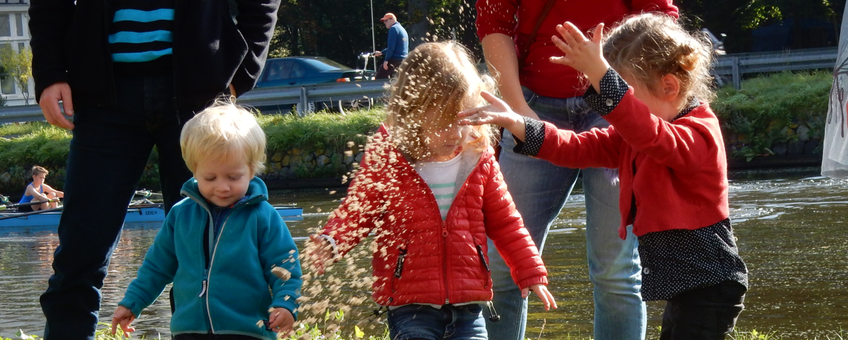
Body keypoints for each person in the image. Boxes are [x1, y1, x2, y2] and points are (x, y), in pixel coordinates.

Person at [461, 13, 749, 340]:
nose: (613, 114)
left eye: (628, 94)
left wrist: (601, 73)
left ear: (668, 86)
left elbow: (650, 132)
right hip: (689, 286)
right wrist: (518, 124)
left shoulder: (697, 133)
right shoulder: (636, 137)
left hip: (712, 283)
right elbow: (576, 147)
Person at [29, 0, 282, 338]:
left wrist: (244, 68)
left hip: (200, 90)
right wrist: (50, 72)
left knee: (210, 252)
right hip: (101, 92)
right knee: (78, 254)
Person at [308, 41, 557, 340]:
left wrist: (530, 271)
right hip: (411, 306)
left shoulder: (478, 158)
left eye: (463, 121)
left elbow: (506, 222)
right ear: (411, 114)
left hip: (469, 305)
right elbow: (358, 212)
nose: (455, 134)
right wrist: (332, 241)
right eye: (442, 124)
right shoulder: (390, 158)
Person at [474, 1, 678, 339]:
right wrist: (519, 111)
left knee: (616, 269)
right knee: (502, 263)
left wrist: (644, 109)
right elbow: (494, 23)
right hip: (531, 100)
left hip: (618, 100)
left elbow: (658, 19)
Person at [110, 100, 303, 339]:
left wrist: (286, 304)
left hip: (246, 330)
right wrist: (133, 302)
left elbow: (285, 266)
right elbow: (157, 267)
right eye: (210, 178)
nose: (222, 187)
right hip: (189, 329)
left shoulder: (263, 216)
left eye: (233, 177)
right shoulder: (181, 215)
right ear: (194, 170)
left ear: (252, 170)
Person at [373, 12, 408, 79]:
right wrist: (381, 52)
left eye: (386, 20)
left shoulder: (393, 29)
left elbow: (391, 47)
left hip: (395, 59)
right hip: (403, 60)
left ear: (392, 19)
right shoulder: (402, 29)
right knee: (397, 79)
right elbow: (396, 46)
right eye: (383, 21)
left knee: (380, 77)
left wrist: (386, 60)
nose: (384, 23)